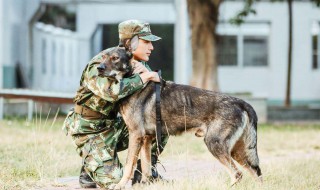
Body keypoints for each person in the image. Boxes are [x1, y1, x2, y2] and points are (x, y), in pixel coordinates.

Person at [62, 20, 168, 189]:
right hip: (90, 129)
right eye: (146, 42)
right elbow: (110, 92)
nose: (151, 47)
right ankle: (90, 165)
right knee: (116, 183)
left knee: (159, 123)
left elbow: (159, 92)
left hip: (114, 126)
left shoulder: (135, 63)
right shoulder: (102, 63)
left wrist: (149, 74)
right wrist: (143, 77)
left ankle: (144, 174)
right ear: (130, 43)